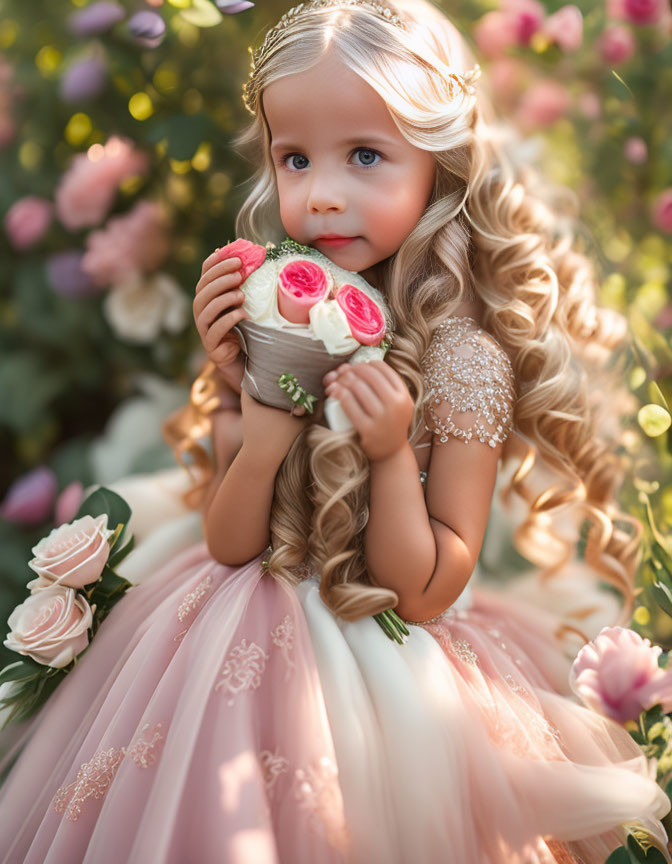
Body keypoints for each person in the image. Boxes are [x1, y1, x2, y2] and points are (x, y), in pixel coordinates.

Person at [0, 0, 669, 861]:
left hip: (391, 658)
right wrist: (247, 402)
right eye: (295, 158)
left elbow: (425, 593)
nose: (321, 194)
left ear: (440, 163)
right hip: (231, 621)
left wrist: (391, 454)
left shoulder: (464, 355)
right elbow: (231, 543)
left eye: (365, 155)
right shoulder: (283, 304)